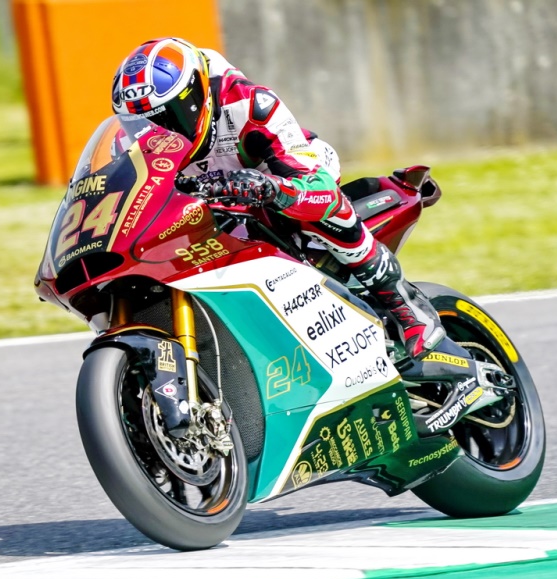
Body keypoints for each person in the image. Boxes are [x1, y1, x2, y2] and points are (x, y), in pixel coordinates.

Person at [111, 37, 445, 360]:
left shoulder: (248, 104)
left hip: (288, 175)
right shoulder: (131, 144)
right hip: (211, 199)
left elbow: (318, 186)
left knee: (310, 207)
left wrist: (268, 188)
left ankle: (404, 303)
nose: (155, 131)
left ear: (195, 97)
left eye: (166, 117)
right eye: (137, 122)